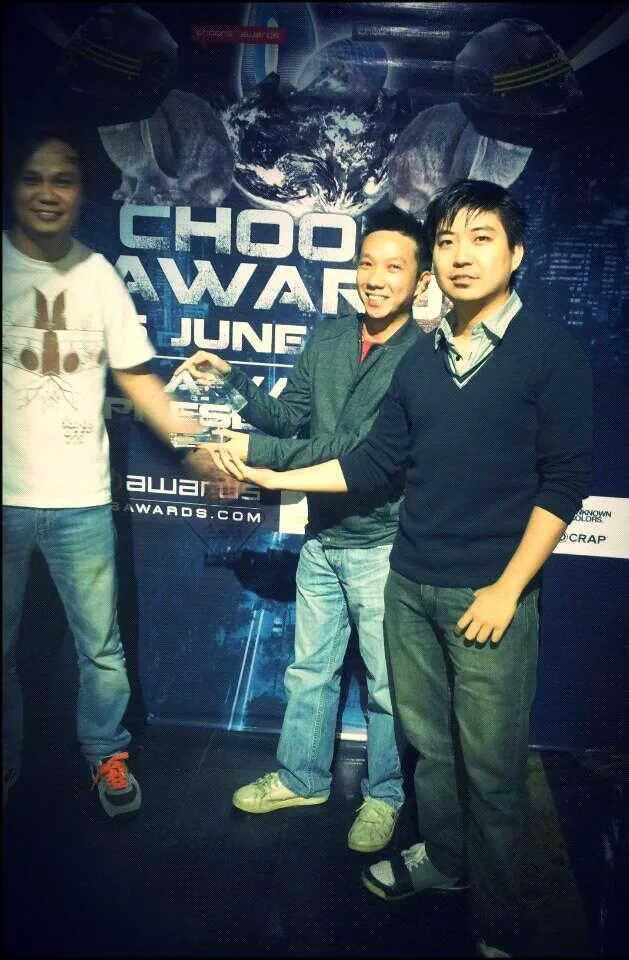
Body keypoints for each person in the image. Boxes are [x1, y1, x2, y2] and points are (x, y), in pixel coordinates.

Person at [207, 180, 594, 958]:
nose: (460, 256)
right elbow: (369, 460)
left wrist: (508, 588)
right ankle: (444, 861)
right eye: (448, 240)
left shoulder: (541, 351)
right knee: (432, 747)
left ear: (517, 254)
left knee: (490, 768)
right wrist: (270, 466)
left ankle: (499, 924)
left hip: (479, 590)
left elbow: (564, 480)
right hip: (404, 579)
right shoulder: (424, 359)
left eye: (480, 239)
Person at [174, 206, 431, 853]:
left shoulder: (422, 358)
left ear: (421, 281)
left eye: (393, 266)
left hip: (383, 547)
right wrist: (230, 381)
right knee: (310, 672)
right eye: (367, 263)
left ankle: (385, 796)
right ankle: (302, 778)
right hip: (321, 541)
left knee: (387, 686)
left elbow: (356, 451)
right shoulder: (329, 336)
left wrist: (254, 455)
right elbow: (289, 417)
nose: (376, 278)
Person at [2, 123, 206, 816]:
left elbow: (140, 380)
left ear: (83, 191)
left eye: (62, 179)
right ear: (12, 187)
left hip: (82, 503)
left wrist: (200, 451)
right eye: (33, 178)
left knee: (102, 649)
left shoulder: (97, 276)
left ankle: (106, 754)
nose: (47, 193)